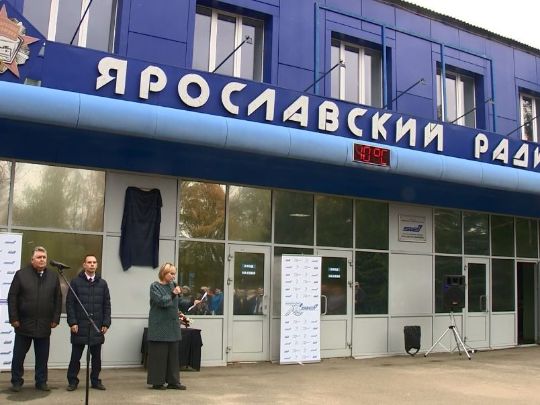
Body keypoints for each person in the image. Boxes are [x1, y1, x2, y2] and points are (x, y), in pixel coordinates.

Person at [7, 246, 62, 392]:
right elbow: (12, 297)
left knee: (42, 357)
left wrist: (55, 318)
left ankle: (41, 382)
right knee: (19, 356)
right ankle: (16, 381)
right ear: (32, 260)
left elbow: (58, 299)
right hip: (23, 324)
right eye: (39, 257)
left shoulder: (53, 276)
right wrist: (14, 318)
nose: (42, 260)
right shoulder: (21, 275)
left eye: (44, 257)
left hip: (44, 324)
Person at [66, 254, 111, 391]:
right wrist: (72, 322)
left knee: (96, 358)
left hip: (96, 326)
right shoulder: (75, 282)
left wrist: (106, 323)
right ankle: (72, 381)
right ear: (84, 265)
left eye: (94, 262)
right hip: (79, 327)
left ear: (97, 265)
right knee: (75, 357)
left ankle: (95, 381)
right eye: (89, 262)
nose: (92, 264)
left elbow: (107, 305)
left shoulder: (102, 284)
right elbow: (70, 304)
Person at [147, 262, 186, 390]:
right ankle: (157, 382)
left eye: (175, 274)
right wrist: (173, 293)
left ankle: (173, 382)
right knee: (159, 355)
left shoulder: (173, 285)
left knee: (173, 356)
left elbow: (178, 302)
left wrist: (191, 302)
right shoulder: (155, 286)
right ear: (164, 273)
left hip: (172, 325)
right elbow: (161, 302)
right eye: (171, 273)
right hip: (159, 326)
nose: (174, 276)